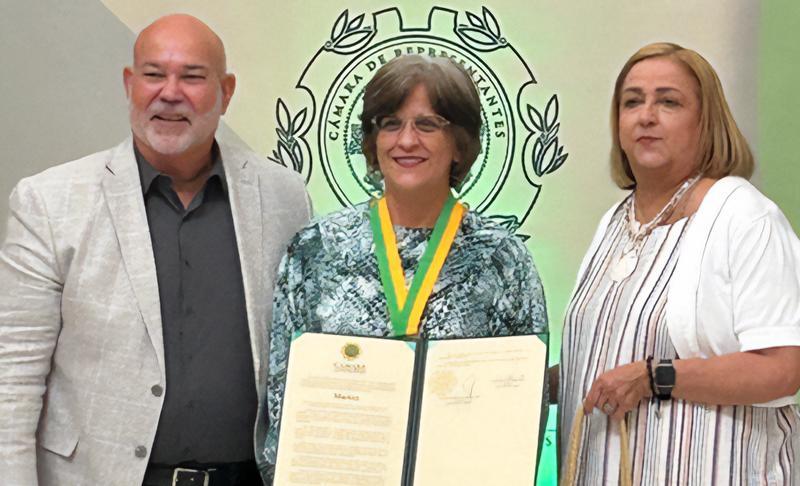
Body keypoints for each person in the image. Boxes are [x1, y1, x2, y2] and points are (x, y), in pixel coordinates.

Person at [0, 14, 311, 486]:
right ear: (130, 84)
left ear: (226, 92)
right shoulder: (51, 201)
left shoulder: (285, 196)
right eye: (153, 74)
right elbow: (12, 378)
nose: (170, 92)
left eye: (192, 76)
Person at [259, 54, 548, 481]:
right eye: (390, 124)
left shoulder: (503, 260)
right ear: (372, 141)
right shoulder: (316, 249)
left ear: (461, 143)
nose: (406, 141)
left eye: (428, 125)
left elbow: (525, 408)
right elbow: (283, 399)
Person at [559, 42, 800, 485]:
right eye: (632, 102)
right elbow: (607, 352)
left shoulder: (745, 217)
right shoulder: (613, 223)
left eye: (668, 101)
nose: (646, 116)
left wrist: (656, 377)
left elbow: (783, 369)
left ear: (706, 123)